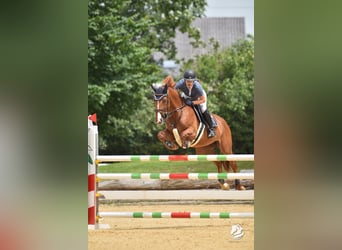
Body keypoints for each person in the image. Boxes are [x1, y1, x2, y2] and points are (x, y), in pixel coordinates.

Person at [175, 70, 216, 138]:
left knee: (203, 110)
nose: (189, 83)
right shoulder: (180, 83)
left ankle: (211, 128)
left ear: (194, 81)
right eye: (188, 81)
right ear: (184, 80)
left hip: (199, 98)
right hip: (187, 95)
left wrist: (193, 102)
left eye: (191, 81)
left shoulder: (198, 87)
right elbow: (175, 91)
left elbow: (203, 100)